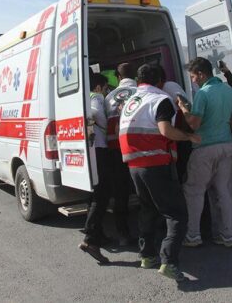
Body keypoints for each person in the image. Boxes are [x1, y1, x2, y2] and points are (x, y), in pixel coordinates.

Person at [119, 64, 201, 282]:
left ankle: (147, 256)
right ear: (159, 81)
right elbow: (166, 130)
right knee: (176, 214)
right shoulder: (159, 99)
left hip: (134, 166)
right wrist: (188, 136)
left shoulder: (130, 102)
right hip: (156, 162)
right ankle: (169, 261)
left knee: (147, 209)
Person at [177, 57, 232, 248]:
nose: (193, 80)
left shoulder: (202, 94)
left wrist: (183, 109)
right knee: (224, 192)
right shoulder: (230, 91)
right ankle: (227, 235)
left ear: (202, 74)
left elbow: (194, 124)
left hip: (204, 148)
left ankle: (193, 235)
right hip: (227, 146)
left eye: (194, 76)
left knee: (194, 191)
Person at [79, 73, 114, 263]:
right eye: (106, 87)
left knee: (93, 195)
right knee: (102, 195)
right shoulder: (97, 98)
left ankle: (97, 235)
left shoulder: (84, 97)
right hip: (100, 150)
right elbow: (91, 113)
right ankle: (90, 240)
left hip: (90, 150)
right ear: (99, 87)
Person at [103, 62, 137, 246]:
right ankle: (150, 229)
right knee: (143, 190)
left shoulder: (109, 96)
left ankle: (123, 233)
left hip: (116, 150)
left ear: (118, 77)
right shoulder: (140, 92)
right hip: (138, 150)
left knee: (120, 193)